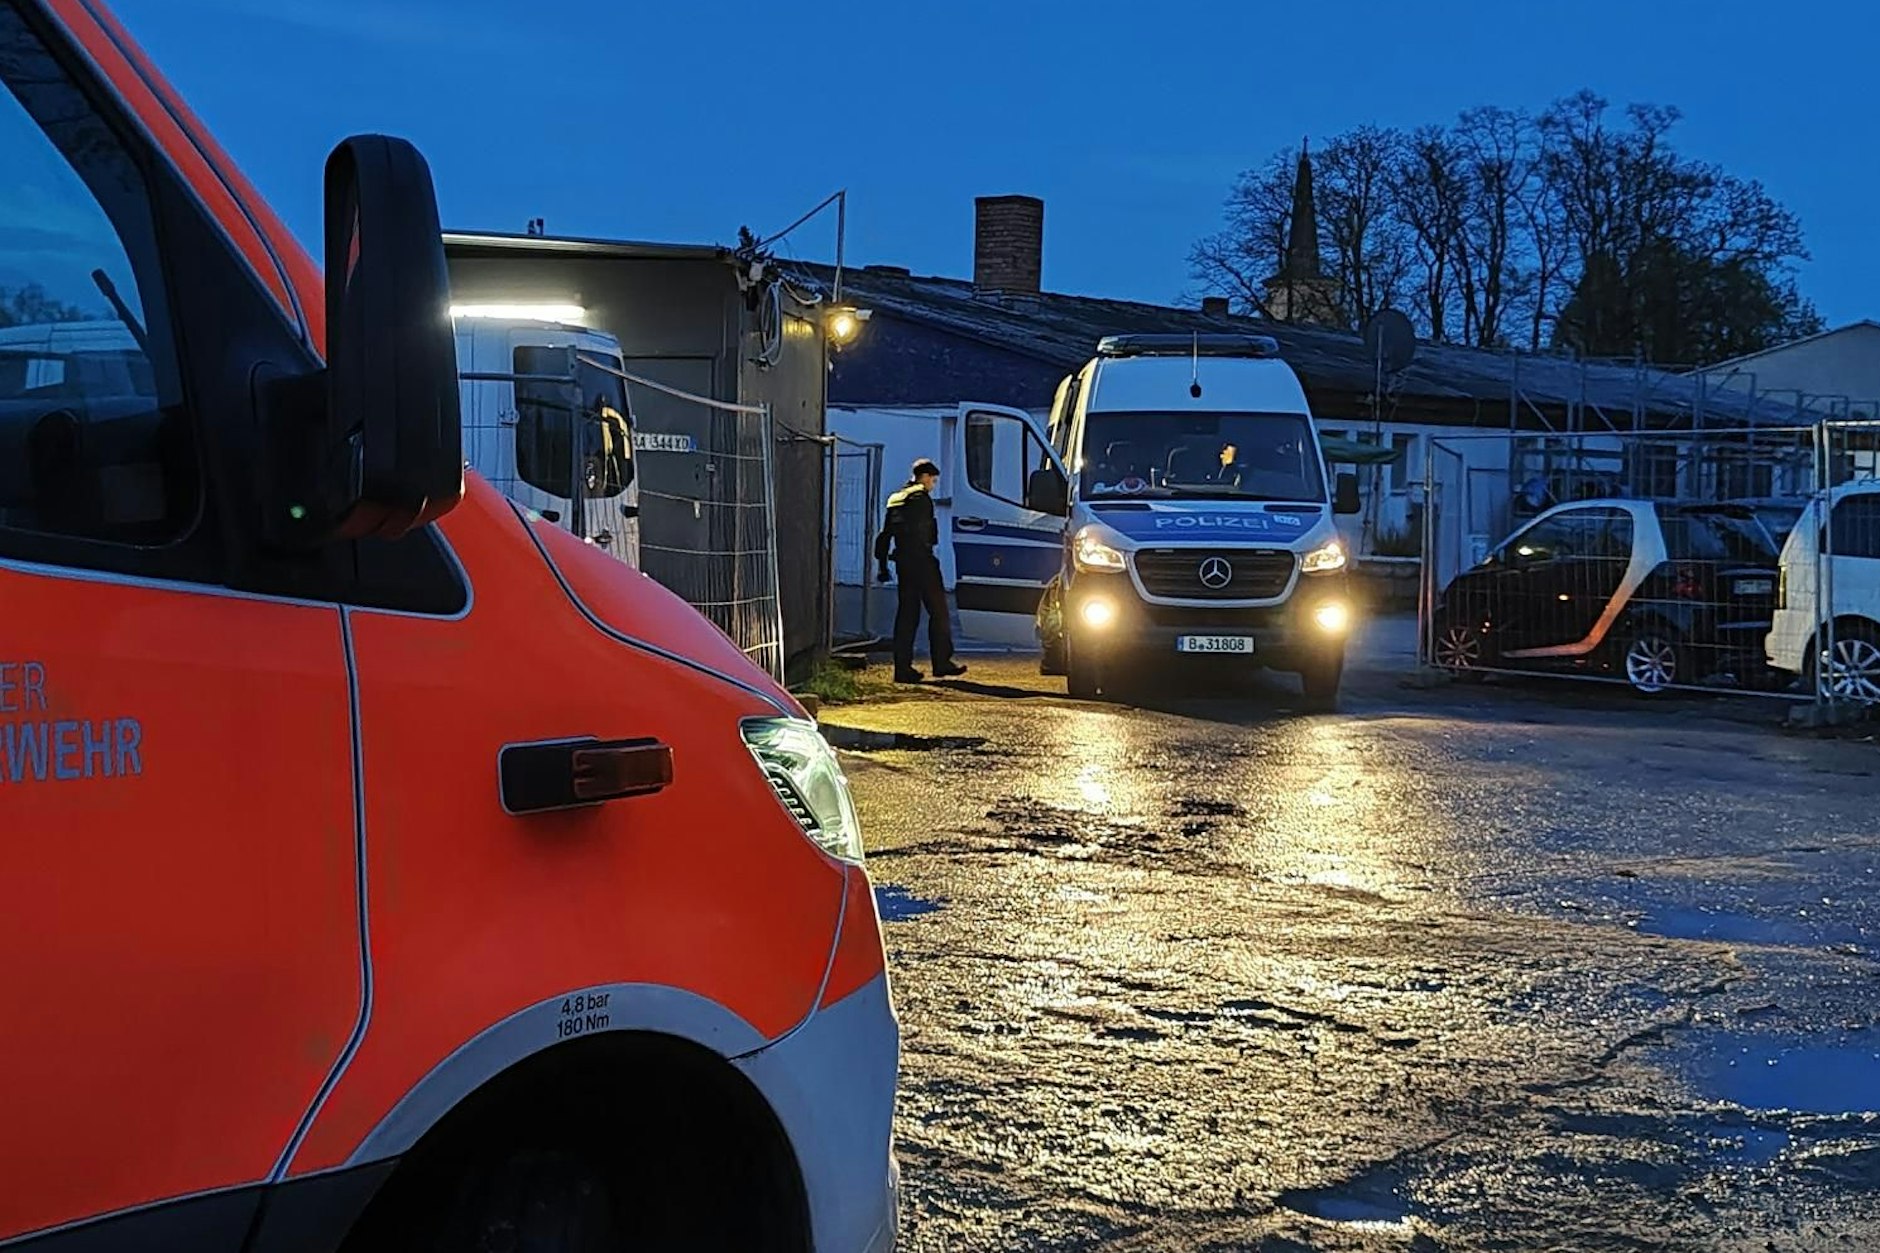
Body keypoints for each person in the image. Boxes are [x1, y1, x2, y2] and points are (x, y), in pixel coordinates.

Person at [874, 459, 967, 684]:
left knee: (907, 615)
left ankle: (902, 669)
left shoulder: (896, 498)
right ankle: (941, 662)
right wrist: (926, 556)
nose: (933, 485)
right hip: (922, 562)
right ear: (924, 477)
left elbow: (884, 536)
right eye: (932, 480)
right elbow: (925, 534)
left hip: (903, 563)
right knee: (939, 611)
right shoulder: (920, 499)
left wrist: (883, 566)